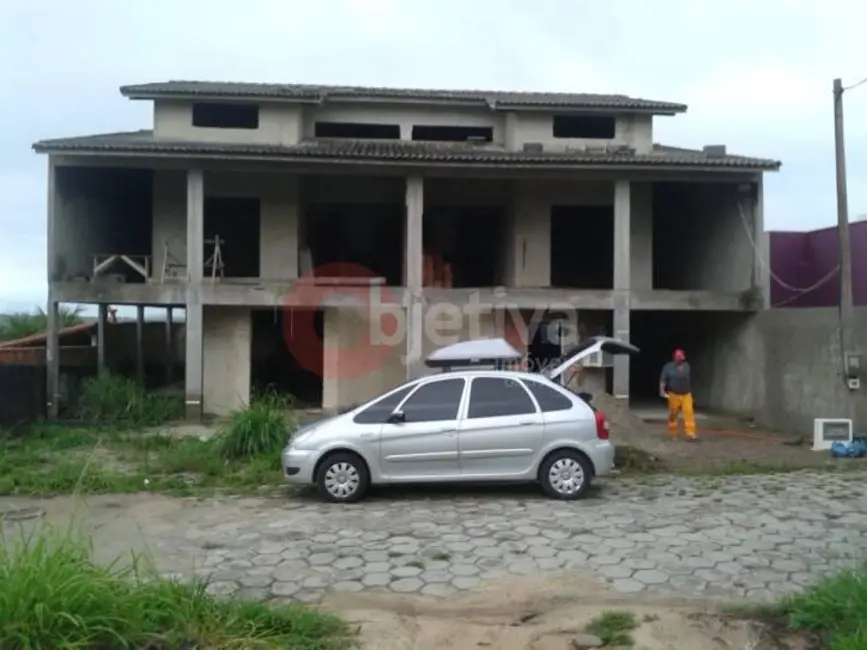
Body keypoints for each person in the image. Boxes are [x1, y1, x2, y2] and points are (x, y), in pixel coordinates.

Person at [659, 349, 697, 440]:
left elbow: (686, 377)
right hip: (673, 394)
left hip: (686, 394)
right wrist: (662, 391)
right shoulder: (668, 367)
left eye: (680, 357)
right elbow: (662, 380)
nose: (678, 359)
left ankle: (690, 433)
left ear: (683, 358)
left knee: (689, 412)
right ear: (674, 357)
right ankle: (673, 434)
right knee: (673, 415)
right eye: (677, 357)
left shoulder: (687, 366)